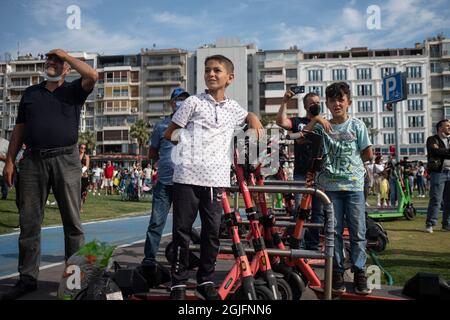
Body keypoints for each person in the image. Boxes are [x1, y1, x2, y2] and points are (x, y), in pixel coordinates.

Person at [164, 55, 263, 300]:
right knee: (182, 233)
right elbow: (170, 133)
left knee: (211, 233)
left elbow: (247, 116)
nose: (210, 74)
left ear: (230, 78)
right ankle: (178, 283)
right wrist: (190, 145)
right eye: (207, 70)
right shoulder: (193, 103)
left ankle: (204, 280)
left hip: (216, 180)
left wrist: (254, 118)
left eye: (217, 70)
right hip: (187, 176)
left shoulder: (233, 108)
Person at [1, 49, 98, 300]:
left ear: (66, 67)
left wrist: (66, 55)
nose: (52, 63)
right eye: (50, 60)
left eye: (57, 61)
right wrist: (10, 161)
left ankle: (76, 281)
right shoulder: (31, 93)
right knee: (29, 222)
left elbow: (93, 75)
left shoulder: (74, 90)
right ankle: (27, 279)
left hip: (67, 159)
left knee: (73, 224)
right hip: (32, 160)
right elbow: (19, 128)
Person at [304, 82, 373, 295]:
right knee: (333, 231)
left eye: (341, 99)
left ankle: (360, 271)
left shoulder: (357, 126)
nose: (337, 104)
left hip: (353, 186)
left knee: (357, 231)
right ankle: (337, 271)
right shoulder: (323, 125)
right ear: (327, 103)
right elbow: (301, 138)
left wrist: (351, 167)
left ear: (349, 102)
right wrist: (316, 119)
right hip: (330, 188)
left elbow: (367, 153)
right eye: (332, 100)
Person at [141, 88, 190, 276]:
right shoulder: (161, 126)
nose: (182, 102)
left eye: (185, 99)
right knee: (156, 223)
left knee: (182, 227)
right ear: (172, 103)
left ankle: (180, 262)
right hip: (164, 183)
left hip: (185, 183)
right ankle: (149, 259)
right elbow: (152, 153)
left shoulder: (192, 126)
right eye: (178, 99)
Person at [276, 90, 331, 250]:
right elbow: (282, 123)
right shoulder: (299, 121)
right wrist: (284, 101)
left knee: (318, 212)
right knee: (300, 211)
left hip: (320, 174)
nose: (316, 105)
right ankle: (298, 246)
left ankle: (312, 247)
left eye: (318, 102)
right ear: (305, 105)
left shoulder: (325, 122)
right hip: (301, 173)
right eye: (312, 103)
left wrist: (319, 120)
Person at [425, 119, 450, 233]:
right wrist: (445, 151)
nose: (449, 127)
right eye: (447, 126)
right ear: (440, 128)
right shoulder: (432, 139)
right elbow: (435, 152)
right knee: (436, 199)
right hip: (438, 173)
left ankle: (447, 224)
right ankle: (430, 224)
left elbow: (440, 151)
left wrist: (442, 151)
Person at [79, 144, 90, 208]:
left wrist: (81, 171)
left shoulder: (86, 156)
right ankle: (79, 206)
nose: (83, 149)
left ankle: (81, 205)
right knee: (78, 192)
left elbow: (87, 166)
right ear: (79, 148)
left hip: (84, 176)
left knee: (83, 191)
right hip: (77, 175)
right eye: (82, 147)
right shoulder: (76, 156)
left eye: (84, 148)